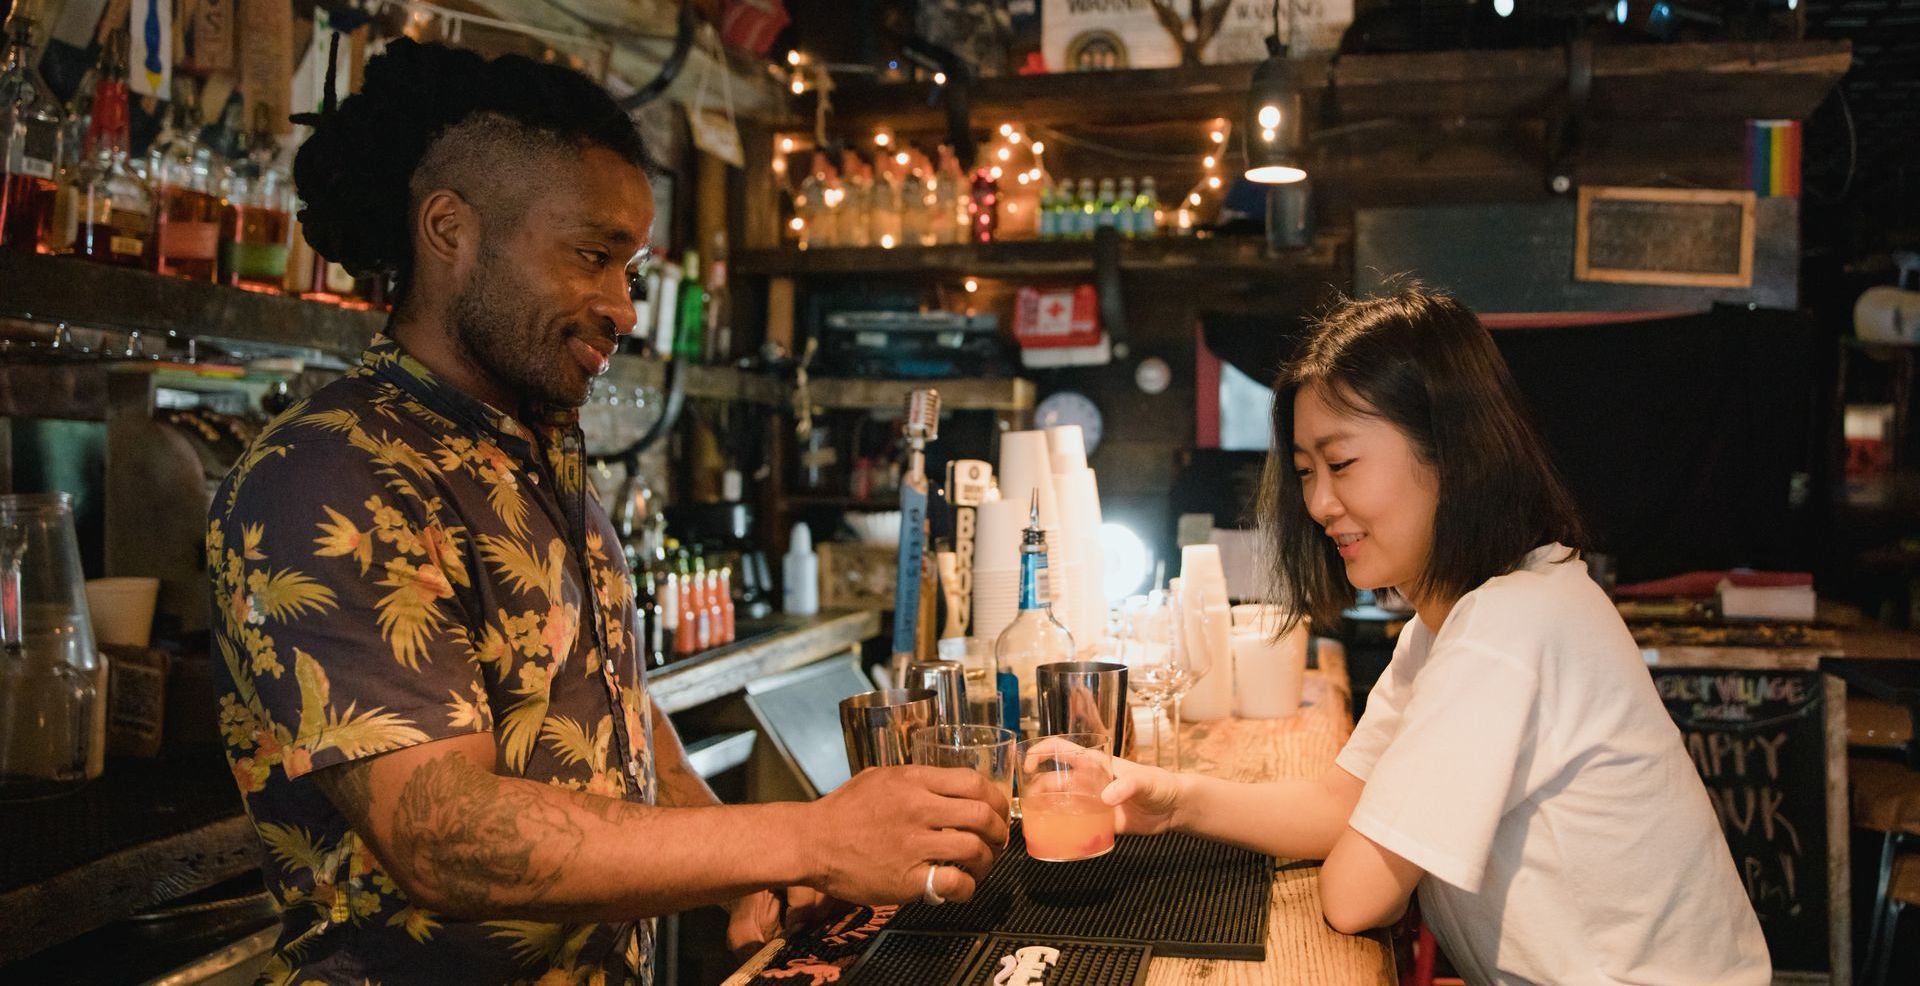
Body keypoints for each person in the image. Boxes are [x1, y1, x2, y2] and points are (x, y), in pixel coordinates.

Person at [206, 39, 1006, 985]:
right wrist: (809, 838)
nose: (622, 307)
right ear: (450, 230)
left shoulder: (537, 455)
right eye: (593, 257)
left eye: (629, 269)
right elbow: (443, 834)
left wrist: (735, 866)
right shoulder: (330, 471)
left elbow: (613, 717)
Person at [1099, 289, 1768, 984]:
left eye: (1342, 464)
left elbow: (1356, 896)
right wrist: (1174, 799)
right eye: (1305, 473)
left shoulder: (1509, 625)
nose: (1321, 504)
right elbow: (1339, 806)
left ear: (1450, 453)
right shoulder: (1452, 621)